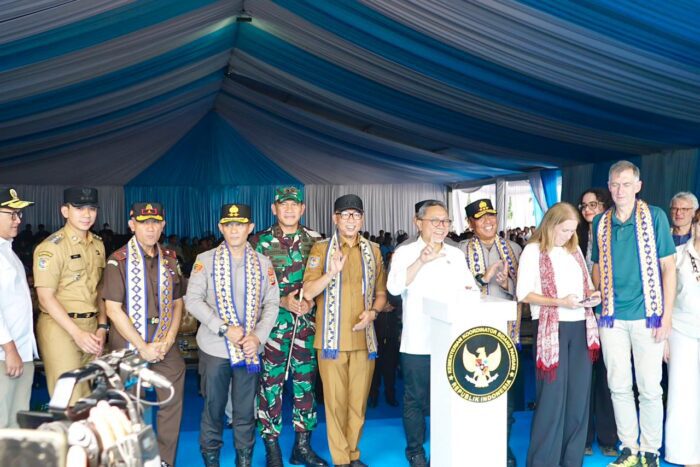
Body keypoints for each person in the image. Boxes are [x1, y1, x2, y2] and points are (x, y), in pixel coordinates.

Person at [591, 161, 676, 467]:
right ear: (609, 186)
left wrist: (666, 317)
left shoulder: (655, 216)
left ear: (638, 186)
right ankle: (628, 447)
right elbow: (597, 266)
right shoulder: (600, 221)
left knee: (650, 388)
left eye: (626, 184)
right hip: (611, 317)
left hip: (647, 316)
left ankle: (650, 451)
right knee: (618, 386)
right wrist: (596, 293)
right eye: (615, 184)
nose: (620, 190)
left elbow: (668, 268)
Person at [185, 203, 279, 467]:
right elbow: (192, 300)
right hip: (215, 348)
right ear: (221, 227)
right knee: (213, 408)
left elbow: (272, 303)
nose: (234, 230)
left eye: (240, 225)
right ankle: (211, 458)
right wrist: (224, 327)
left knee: (245, 410)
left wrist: (257, 337)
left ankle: (244, 459)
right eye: (229, 225)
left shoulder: (263, 263)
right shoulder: (205, 260)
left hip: (249, 349)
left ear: (250, 228)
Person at [387, 199, 476, 467]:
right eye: (435, 221)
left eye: (445, 221)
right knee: (414, 398)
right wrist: (420, 262)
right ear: (418, 223)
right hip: (418, 340)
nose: (441, 226)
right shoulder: (405, 252)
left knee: (449, 397)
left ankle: (446, 444)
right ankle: (415, 450)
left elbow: (470, 289)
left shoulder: (455, 254)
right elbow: (393, 289)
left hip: (451, 341)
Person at [303, 194, 387, 467]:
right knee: (335, 404)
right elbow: (308, 291)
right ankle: (341, 460)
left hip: (363, 339)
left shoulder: (374, 250)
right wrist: (331, 272)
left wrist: (373, 313)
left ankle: (353, 454)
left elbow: (381, 294)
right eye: (345, 214)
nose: (351, 220)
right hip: (331, 341)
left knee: (358, 404)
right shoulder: (321, 250)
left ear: (362, 219)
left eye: (356, 215)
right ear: (335, 218)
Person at [100, 202, 185, 467]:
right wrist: (142, 347)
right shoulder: (118, 260)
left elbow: (178, 302)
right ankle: (131, 460)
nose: (150, 228)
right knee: (127, 406)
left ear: (163, 225)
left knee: (171, 400)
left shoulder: (170, 258)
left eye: (155, 222)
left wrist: (169, 340)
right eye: (144, 222)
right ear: (132, 225)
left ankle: (164, 461)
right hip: (129, 342)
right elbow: (113, 310)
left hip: (164, 342)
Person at [516, 202, 601, 467]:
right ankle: (543, 461)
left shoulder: (574, 251)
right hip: (551, 328)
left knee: (578, 398)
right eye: (564, 230)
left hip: (581, 326)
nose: (568, 235)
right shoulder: (533, 250)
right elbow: (523, 293)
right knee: (551, 399)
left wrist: (593, 296)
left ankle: (571, 460)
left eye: (572, 230)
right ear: (551, 225)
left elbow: (588, 286)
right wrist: (559, 302)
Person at [248, 186, 328, 467]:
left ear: (302, 208)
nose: (290, 209)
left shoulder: (317, 241)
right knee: (271, 386)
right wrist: (282, 300)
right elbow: (251, 287)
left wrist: (311, 301)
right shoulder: (259, 242)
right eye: (284, 204)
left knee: (305, 386)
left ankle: (302, 447)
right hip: (273, 328)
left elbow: (324, 282)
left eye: (295, 204)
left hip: (306, 327)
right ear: (274, 209)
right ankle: (272, 449)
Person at [459, 198, 521, 466]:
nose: (488, 221)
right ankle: (474, 445)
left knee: (505, 395)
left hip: (505, 334)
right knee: (472, 392)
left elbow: (525, 290)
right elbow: (455, 291)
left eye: (492, 216)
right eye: (480, 218)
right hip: (471, 333)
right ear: (470, 224)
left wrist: (507, 284)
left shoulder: (514, 249)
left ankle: (502, 446)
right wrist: (481, 279)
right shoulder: (460, 251)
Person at [33, 187, 107, 404]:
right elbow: (45, 297)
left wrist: (102, 326)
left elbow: (100, 289)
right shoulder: (51, 248)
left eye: (92, 208)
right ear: (65, 211)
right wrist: (77, 333)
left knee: (90, 399)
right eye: (79, 208)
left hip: (91, 328)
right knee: (69, 399)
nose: (87, 214)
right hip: (61, 328)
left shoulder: (98, 244)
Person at [576, 188, 618, 456]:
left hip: (610, 314)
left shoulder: (616, 234)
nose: (588, 209)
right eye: (584, 206)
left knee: (607, 375)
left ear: (605, 206)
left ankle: (607, 437)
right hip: (580, 313)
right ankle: (583, 437)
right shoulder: (574, 237)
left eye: (594, 204)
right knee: (583, 378)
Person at [664, 207, 700, 467]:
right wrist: (664, 338)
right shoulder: (676, 255)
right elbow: (665, 299)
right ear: (694, 226)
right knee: (681, 393)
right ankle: (684, 454)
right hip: (681, 330)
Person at [0, 188, 38, 428]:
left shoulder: (8, 251)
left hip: (21, 351)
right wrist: (9, 349)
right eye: (11, 214)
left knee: (17, 424)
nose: (18, 220)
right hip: (6, 354)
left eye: (19, 214)